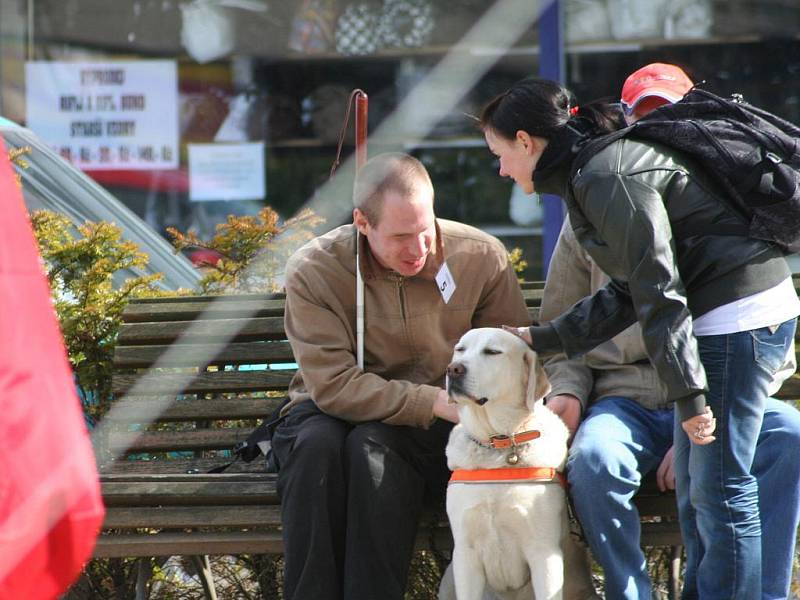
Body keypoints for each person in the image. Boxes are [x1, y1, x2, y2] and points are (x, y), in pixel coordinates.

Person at [479, 76, 800, 600]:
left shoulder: (605, 177)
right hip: (729, 318)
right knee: (708, 491)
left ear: (525, 142)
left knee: (721, 491)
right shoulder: (595, 173)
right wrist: (543, 338)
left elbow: (660, 294)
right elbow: (630, 293)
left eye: (499, 153)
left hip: (737, 319)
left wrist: (690, 401)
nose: (501, 168)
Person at [273, 152, 531, 600]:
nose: (418, 249)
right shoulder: (316, 269)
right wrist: (430, 401)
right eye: (400, 237)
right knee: (317, 449)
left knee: (371, 450)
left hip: (440, 425)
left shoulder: (479, 256)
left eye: (424, 230)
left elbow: (516, 359)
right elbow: (332, 385)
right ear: (362, 222)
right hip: (333, 410)